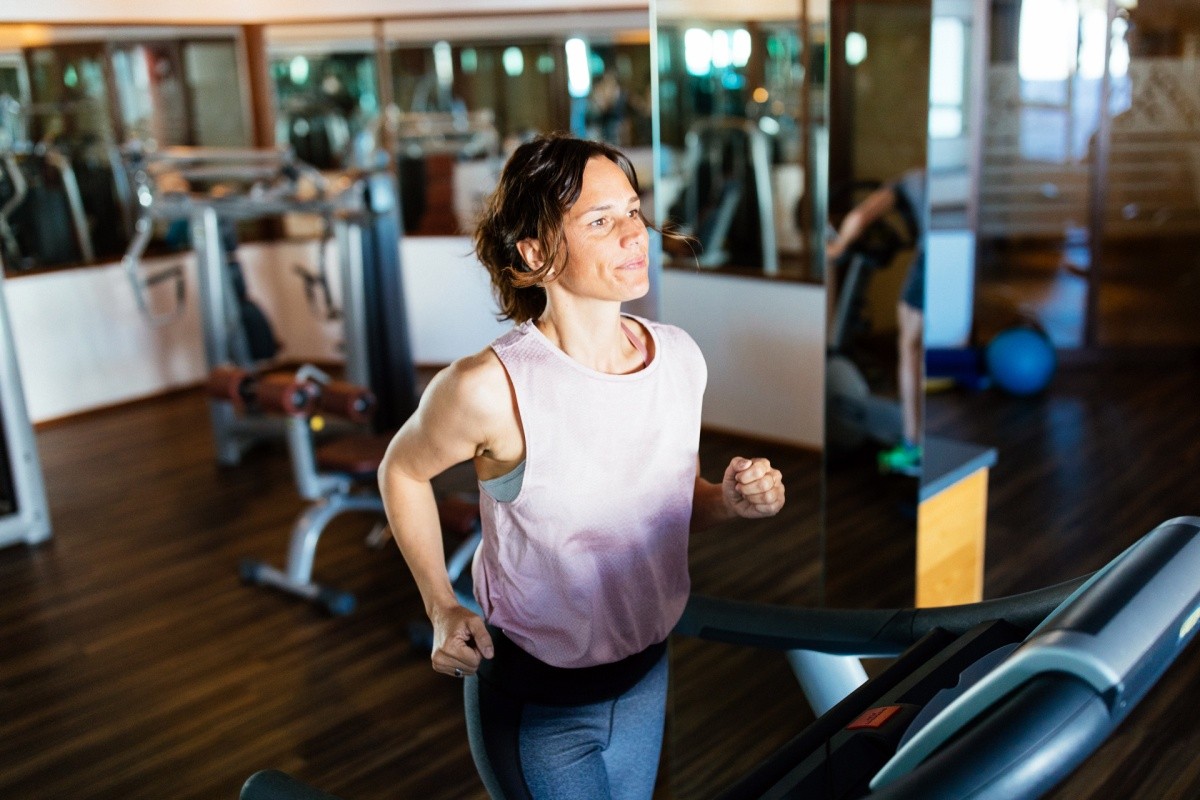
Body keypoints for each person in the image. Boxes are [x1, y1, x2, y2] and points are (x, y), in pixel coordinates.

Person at [377, 133, 786, 799]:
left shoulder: (680, 358)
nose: (634, 234)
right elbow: (401, 470)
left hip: (646, 676)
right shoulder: (489, 387)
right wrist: (441, 605)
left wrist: (731, 502)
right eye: (600, 221)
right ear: (536, 253)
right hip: (539, 701)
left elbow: (673, 508)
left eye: (633, 211)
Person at [825, 168, 926, 476]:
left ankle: (913, 445)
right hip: (959, 257)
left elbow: (860, 215)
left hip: (930, 258)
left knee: (910, 346)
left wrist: (838, 246)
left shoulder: (908, 180)